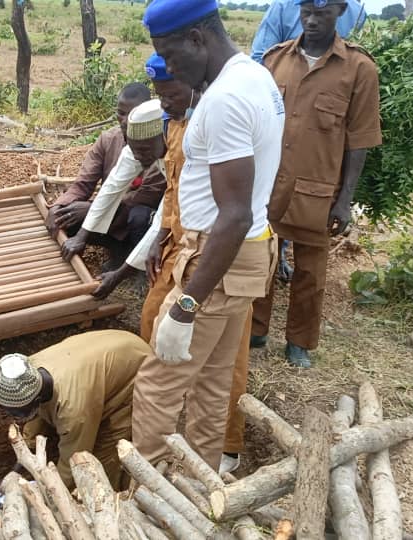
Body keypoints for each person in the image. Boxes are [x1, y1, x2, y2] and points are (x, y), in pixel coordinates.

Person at [133, 0, 282, 470]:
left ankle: (144, 495)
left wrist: (186, 305)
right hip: (245, 257)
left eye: (171, 56)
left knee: (156, 387)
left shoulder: (224, 100)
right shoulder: (254, 77)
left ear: (197, 38)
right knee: (213, 385)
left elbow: (233, 214)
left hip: (216, 259)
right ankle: (200, 487)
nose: (170, 69)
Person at [131, 54, 247, 474]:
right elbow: (174, 191)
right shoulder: (176, 121)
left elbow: (240, 207)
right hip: (181, 247)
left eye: (169, 93)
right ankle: (196, 463)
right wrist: (160, 233)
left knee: (210, 369)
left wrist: (190, 300)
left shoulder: (219, 120)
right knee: (155, 324)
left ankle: (216, 452)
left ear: (191, 79)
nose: (163, 102)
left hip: (214, 253)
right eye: (159, 94)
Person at [251, 0, 382, 368]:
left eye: (321, 14)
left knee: (311, 272)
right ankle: (256, 329)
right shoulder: (275, 60)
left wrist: (345, 200)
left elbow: (360, 139)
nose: (311, 20)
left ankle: (299, 342)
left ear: (340, 11)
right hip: (270, 186)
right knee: (261, 259)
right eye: (306, 11)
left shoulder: (359, 69)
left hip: (318, 191)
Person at [0, 330, 150, 490]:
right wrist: (24, 455)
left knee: (102, 457)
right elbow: (37, 413)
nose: (12, 416)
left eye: (16, 412)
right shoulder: (29, 367)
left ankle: (117, 495)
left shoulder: (73, 410)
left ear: (36, 400)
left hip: (138, 370)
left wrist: (51, 493)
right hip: (113, 345)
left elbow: (73, 463)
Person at [46, 83, 163, 269]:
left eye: (131, 114)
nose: (125, 121)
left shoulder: (159, 147)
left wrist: (91, 209)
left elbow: (145, 198)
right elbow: (91, 184)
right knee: (68, 215)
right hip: (111, 214)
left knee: (140, 216)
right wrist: (60, 207)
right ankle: (116, 251)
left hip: (136, 217)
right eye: (121, 113)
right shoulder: (109, 140)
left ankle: (135, 263)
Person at [81, 99, 170, 300]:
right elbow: (112, 187)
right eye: (134, 150)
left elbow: (165, 216)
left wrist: (119, 275)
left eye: (143, 151)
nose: (138, 157)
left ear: (163, 137)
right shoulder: (141, 145)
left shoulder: (181, 155)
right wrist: (82, 235)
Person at [250, 0, 366, 63]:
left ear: (341, 10)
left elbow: (259, 59)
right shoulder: (357, 10)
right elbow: (262, 58)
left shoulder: (282, 5)